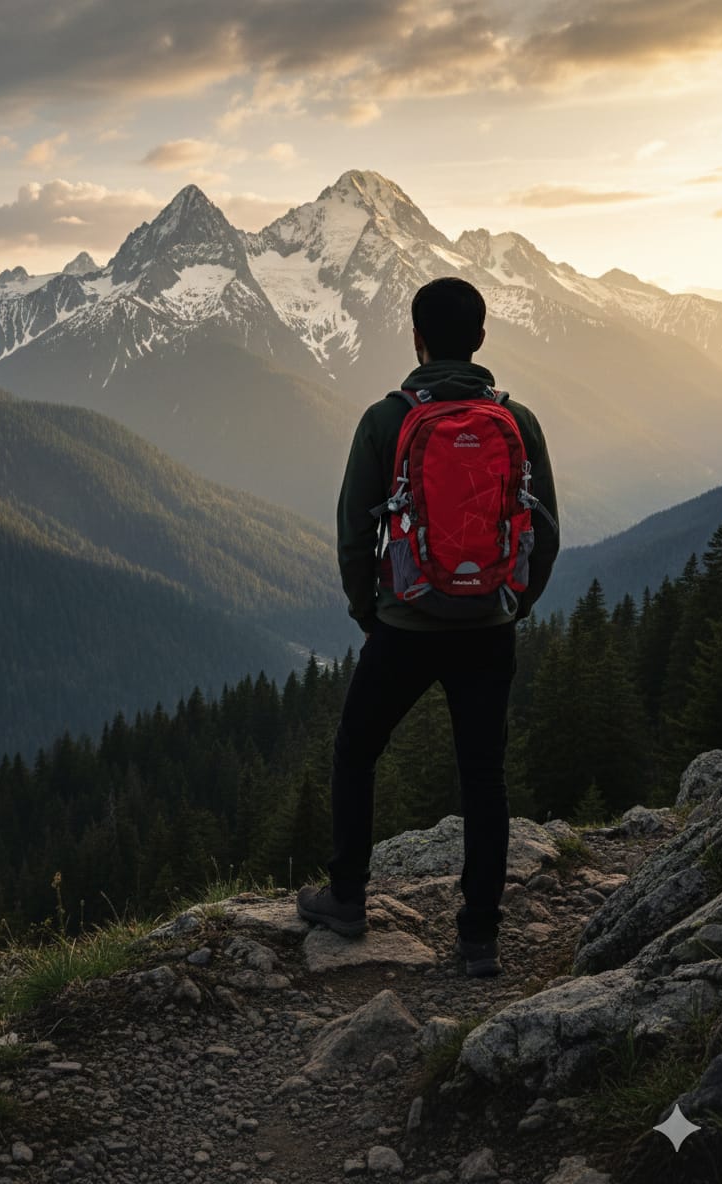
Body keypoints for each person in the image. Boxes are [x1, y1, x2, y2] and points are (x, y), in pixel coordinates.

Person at [296, 276, 559, 976]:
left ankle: (347, 896)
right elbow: (547, 531)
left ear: (415, 338)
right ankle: (479, 938)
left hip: (405, 624)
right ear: (479, 340)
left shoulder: (387, 420)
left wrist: (372, 614)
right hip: (488, 627)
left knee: (357, 747)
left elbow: (355, 532)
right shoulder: (517, 420)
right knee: (484, 776)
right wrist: (510, 603)